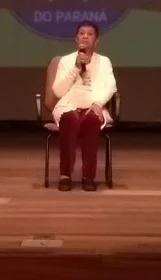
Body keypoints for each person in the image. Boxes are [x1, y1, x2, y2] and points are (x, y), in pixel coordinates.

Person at [48, 21, 117, 191]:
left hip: (94, 104)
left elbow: (111, 86)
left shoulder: (104, 61)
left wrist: (98, 104)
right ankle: (65, 174)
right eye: (82, 33)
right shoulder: (66, 61)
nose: (85, 36)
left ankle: (88, 175)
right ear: (76, 38)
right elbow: (58, 91)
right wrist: (76, 67)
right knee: (69, 119)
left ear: (96, 40)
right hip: (68, 104)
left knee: (91, 121)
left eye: (90, 34)